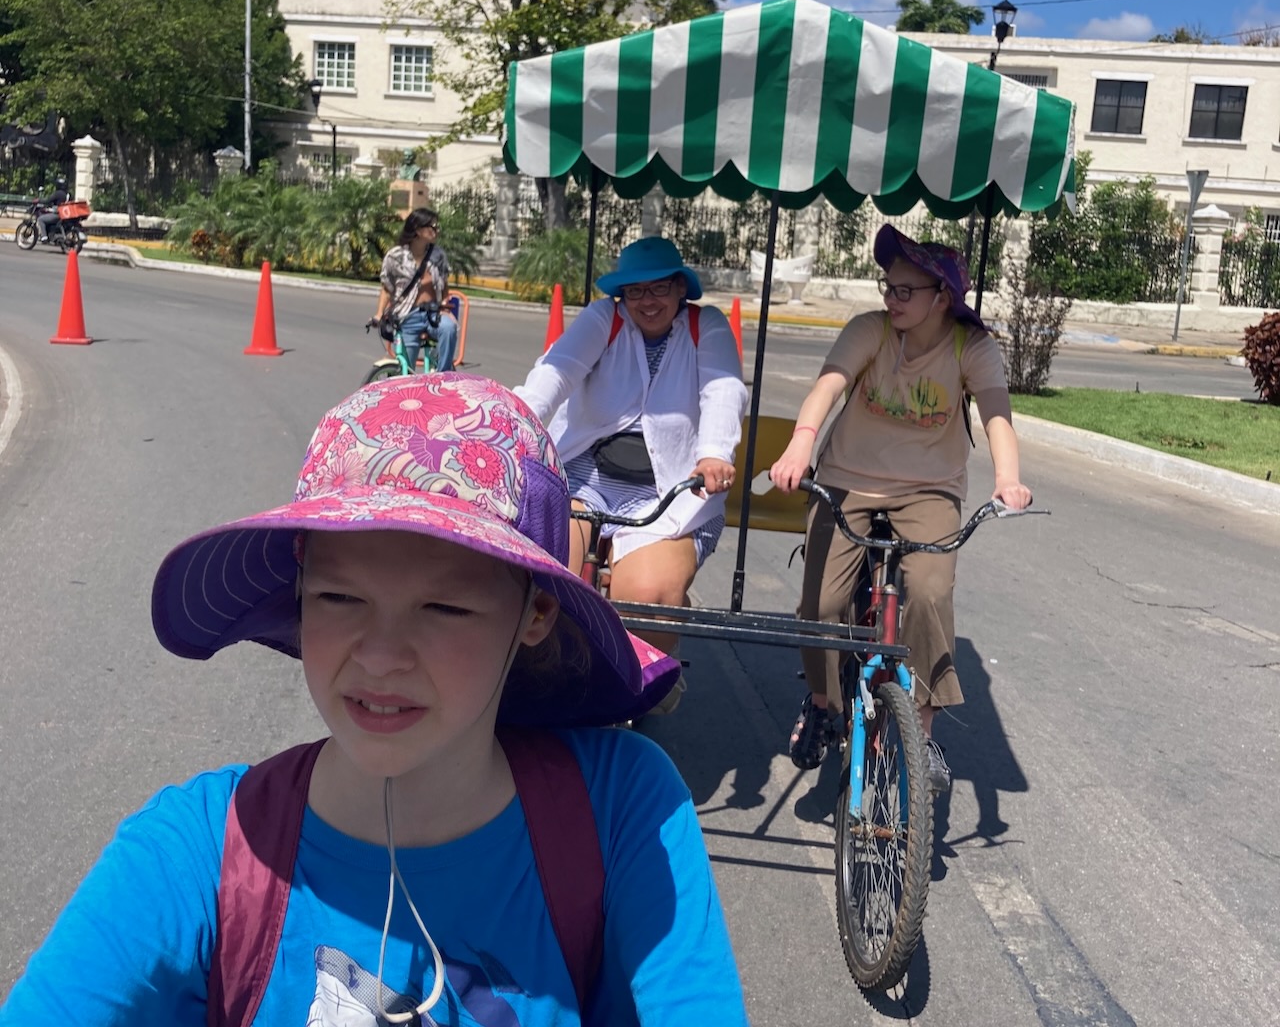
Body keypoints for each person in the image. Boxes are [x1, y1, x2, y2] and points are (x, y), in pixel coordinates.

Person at [0, 374, 748, 1026]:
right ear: (298, 599)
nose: (381, 657)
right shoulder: (199, 855)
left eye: (444, 609)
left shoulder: (622, 812)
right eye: (339, 597)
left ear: (536, 614)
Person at [769, 224, 1032, 792]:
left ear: (943, 296)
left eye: (905, 291)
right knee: (822, 603)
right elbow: (828, 386)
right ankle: (822, 702)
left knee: (931, 593)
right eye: (887, 287)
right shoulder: (871, 330)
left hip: (929, 489)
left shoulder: (970, 346)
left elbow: (996, 416)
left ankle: (923, 731)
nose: (892, 299)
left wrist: (1008, 479)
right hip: (847, 480)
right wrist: (800, 444)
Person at [515, 237, 748, 712]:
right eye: (635, 291)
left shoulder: (708, 327)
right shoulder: (606, 318)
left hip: (675, 490)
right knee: (544, 575)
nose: (648, 301)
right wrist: (514, 421)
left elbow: (724, 392)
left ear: (681, 289)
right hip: (586, 478)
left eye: (660, 288)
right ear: (622, 296)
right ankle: (537, 682)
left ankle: (649, 669)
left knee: (646, 596)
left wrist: (714, 453)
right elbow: (554, 373)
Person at [374, 207, 460, 372]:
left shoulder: (438, 255)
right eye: (432, 227)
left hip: (433, 314)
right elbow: (386, 288)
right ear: (419, 230)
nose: (437, 231)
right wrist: (379, 314)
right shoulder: (395, 256)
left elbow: (444, 285)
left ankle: (443, 375)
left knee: (449, 328)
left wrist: (444, 304)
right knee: (407, 369)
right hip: (408, 316)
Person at [36, 176, 69, 243]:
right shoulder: (68, 194)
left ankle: (44, 237)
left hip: (58, 215)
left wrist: (39, 200)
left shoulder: (58, 193)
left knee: (41, 219)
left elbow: (48, 200)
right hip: (65, 215)